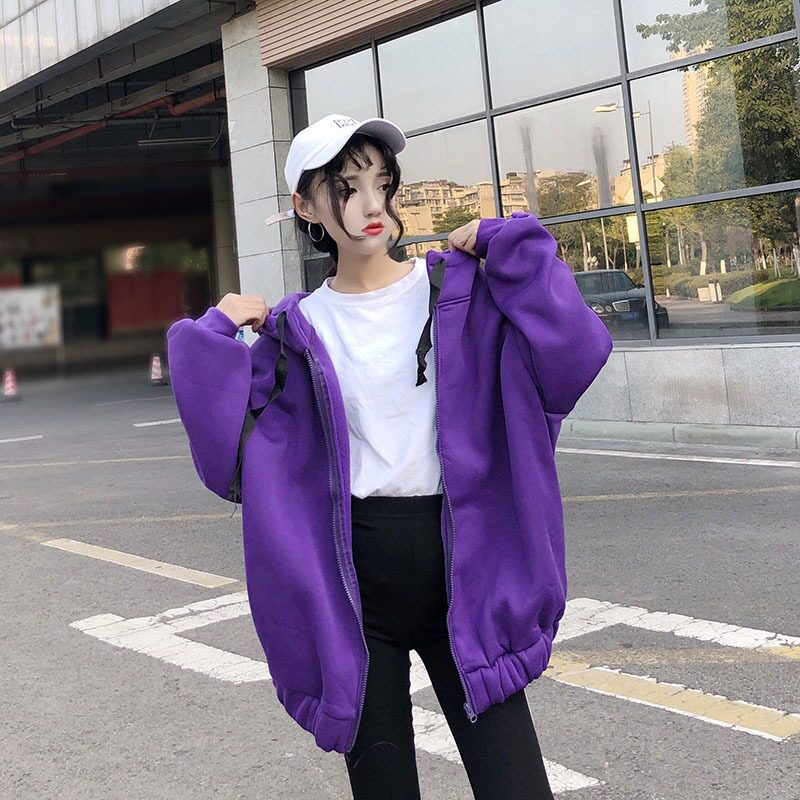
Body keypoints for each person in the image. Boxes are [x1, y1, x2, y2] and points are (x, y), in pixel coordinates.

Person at [166, 114, 613, 800]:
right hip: (355, 593)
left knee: (517, 787)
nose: (372, 204)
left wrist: (514, 249)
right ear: (306, 207)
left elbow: (576, 353)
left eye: (382, 182)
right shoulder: (294, 333)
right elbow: (223, 456)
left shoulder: (460, 293)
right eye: (346, 189)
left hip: (466, 574)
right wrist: (213, 331)